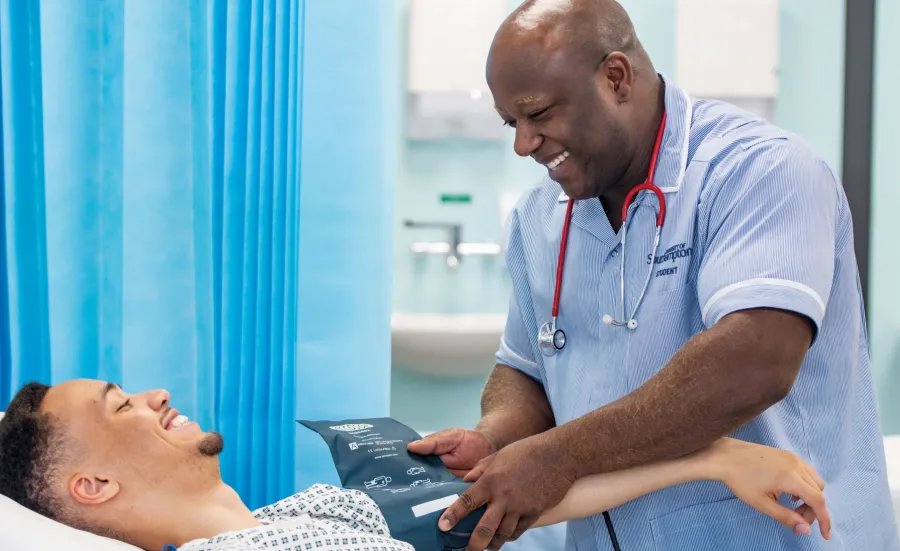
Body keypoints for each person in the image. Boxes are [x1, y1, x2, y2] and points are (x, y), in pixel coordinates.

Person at [407, 1, 899, 550]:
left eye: (539, 114)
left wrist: (556, 456)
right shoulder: (540, 216)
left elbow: (752, 363)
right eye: (512, 124)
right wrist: (494, 438)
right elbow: (525, 372)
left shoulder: (759, 171)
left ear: (616, 77)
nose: (523, 144)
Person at [0, 380, 831, 551]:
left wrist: (714, 457)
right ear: (93, 488)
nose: (155, 393)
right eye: (121, 406)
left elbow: (506, 503)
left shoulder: (303, 516)